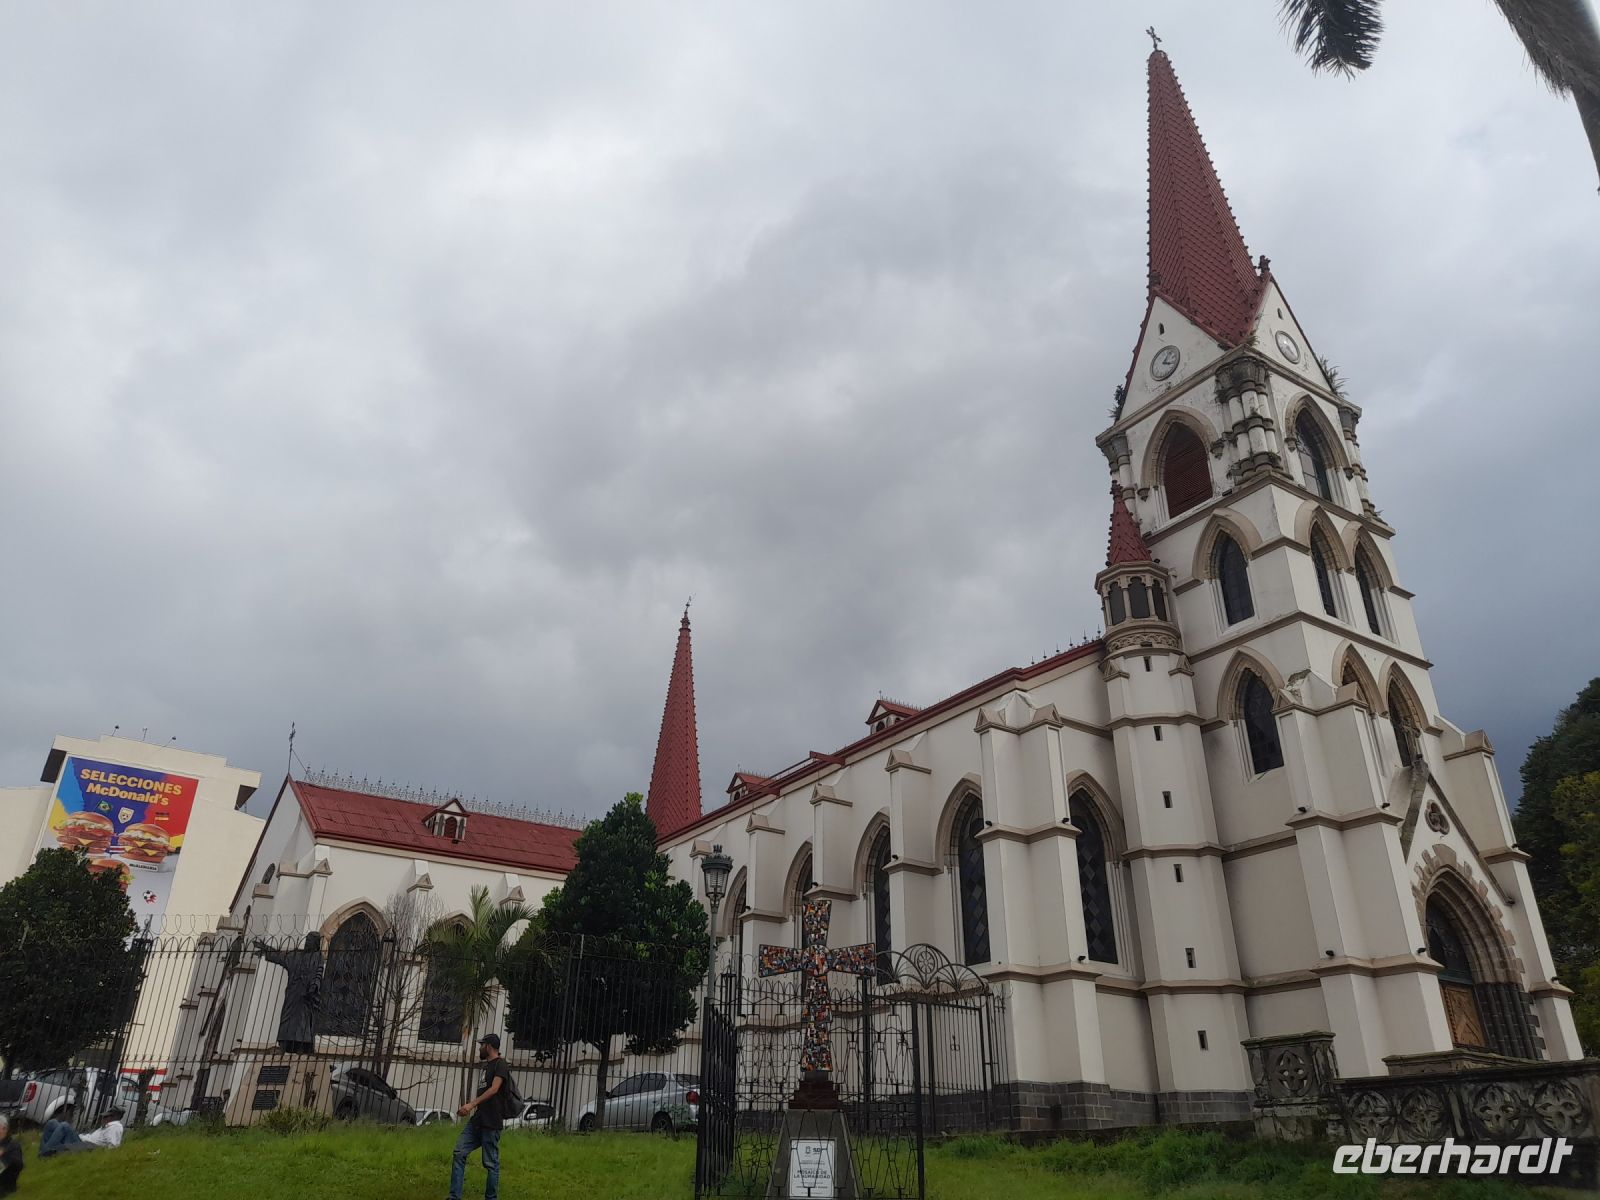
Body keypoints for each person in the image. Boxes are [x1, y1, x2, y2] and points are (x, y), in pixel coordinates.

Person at [448, 1034, 512, 1200]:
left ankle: (491, 1198)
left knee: (491, 1163)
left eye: (481, 1045)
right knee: (459, 1152)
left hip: (491, 1122)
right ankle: (454, 1197)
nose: (479, 1048)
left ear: (489, 1046)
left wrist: (471, 1104)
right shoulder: (486, 1067)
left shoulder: (501, 1065)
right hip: (477, 1121)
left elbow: (494, 1089)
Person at [38, 1106, 125, 1158]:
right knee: (52, 1123)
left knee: (64, 1125)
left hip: (83, 1145)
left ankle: (45, 1153)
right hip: (80, 1140)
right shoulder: (107, 1126)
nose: (103, 1119)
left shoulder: (115, 1127)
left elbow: (113, 1146)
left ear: (114, 1117)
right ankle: (44, 1150)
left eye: (106, 1117)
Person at [0, 1115, 23, 1195]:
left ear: (4, 1128)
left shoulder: (13, 1145)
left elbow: (19, 1165)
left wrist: (4, 1154)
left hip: (6, 1186)